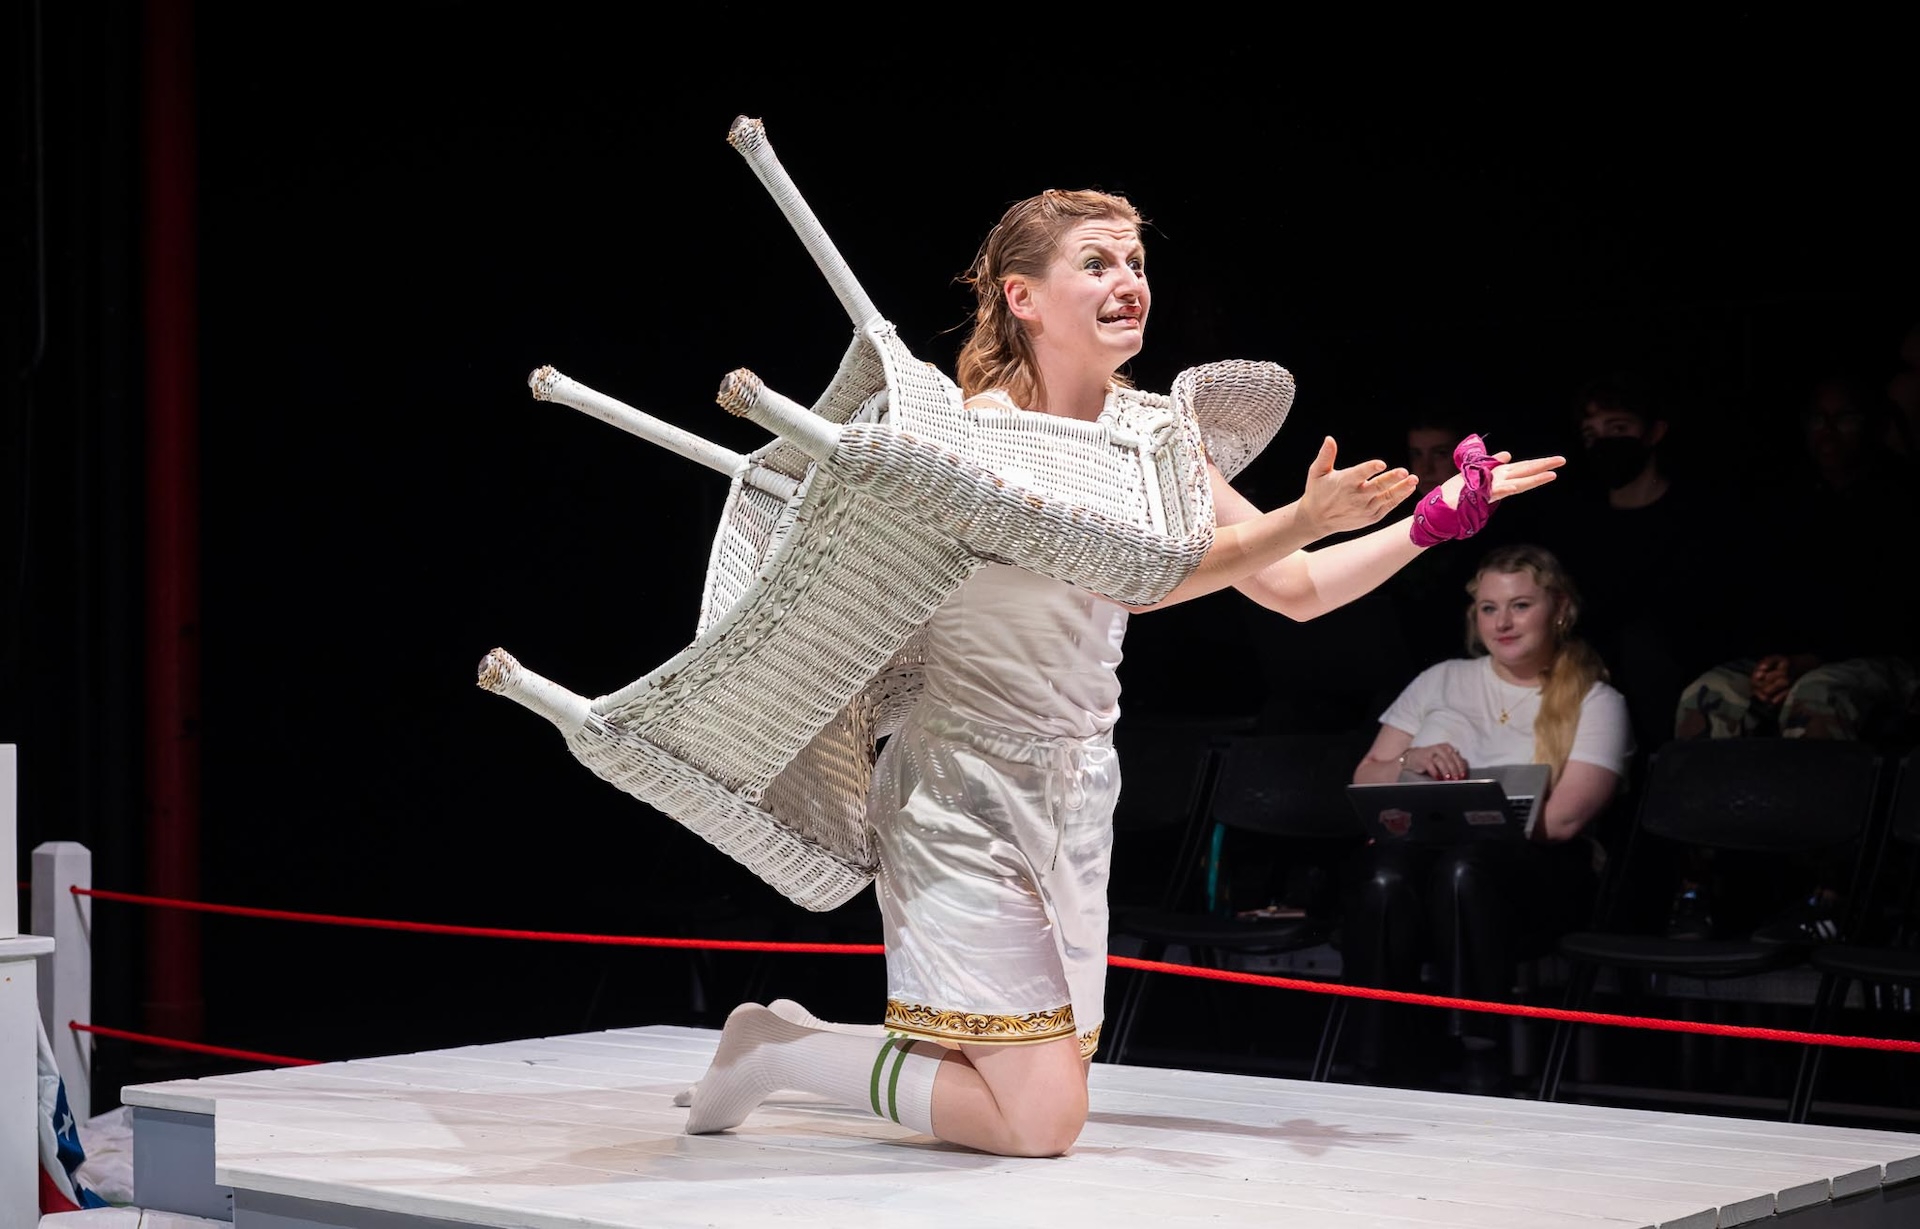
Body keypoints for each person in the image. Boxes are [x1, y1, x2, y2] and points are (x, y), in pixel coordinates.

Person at [680, 187, 1565, 1157]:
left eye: (1136, 262)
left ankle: (781, 1043)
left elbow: (1297, 587)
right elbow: (1135, 578)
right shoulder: (958, 442)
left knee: (981, 1074)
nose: (1128, 282)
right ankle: (781, 1048)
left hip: (1077, 789)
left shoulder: (1158, 438)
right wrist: (1299, 516)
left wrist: (1426, 526)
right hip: (956, 792)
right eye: (1097, 262)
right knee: (1041, 1119)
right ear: (1022, 295)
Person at [1343, 542, 1632, 1094]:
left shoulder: (1595, 700)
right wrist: (1411, 761)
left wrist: (1472, 805)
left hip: (1537, 875)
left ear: (1559, 609)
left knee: (1465, 869)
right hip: (1422, 865)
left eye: (1520, 605)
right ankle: (1374, 1061)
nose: (1503, 622)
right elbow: (1367, 778)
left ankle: (1480, 1060)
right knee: (1382, 877)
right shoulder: (1443, 678)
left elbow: (1564, 821)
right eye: (1489, 607)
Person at [1666, 368, 1920, 942]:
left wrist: (1804, 663)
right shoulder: (1783, 496)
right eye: (1816, 418)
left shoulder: (1901, 497)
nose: (1828, 431)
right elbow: (1752, 593)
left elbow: (1891, 612)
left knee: (1819, 695)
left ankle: (1829, 892)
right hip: (1785, 658)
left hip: (1878, 660)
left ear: (1874, 424)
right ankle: (1697, 888)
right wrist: (1767, 665)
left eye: (1844, 417)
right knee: (1708, 694)